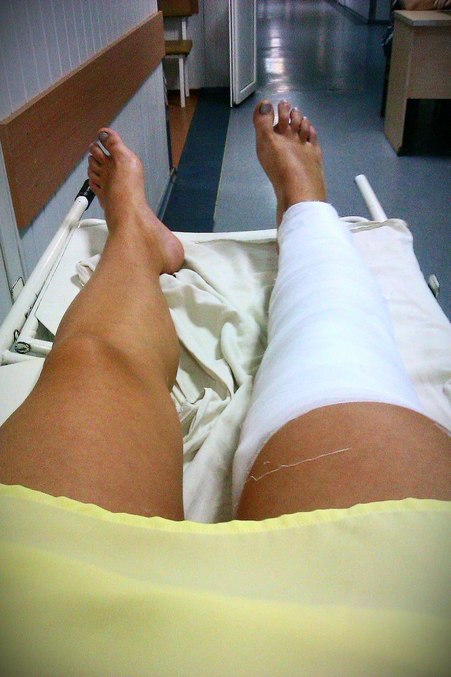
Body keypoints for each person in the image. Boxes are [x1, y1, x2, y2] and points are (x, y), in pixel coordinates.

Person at [0, 100, 449, 674]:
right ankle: (305, 214)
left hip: (40, 595)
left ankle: (134, 233)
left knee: (94, 359)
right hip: (393, 601)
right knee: (336, 332)